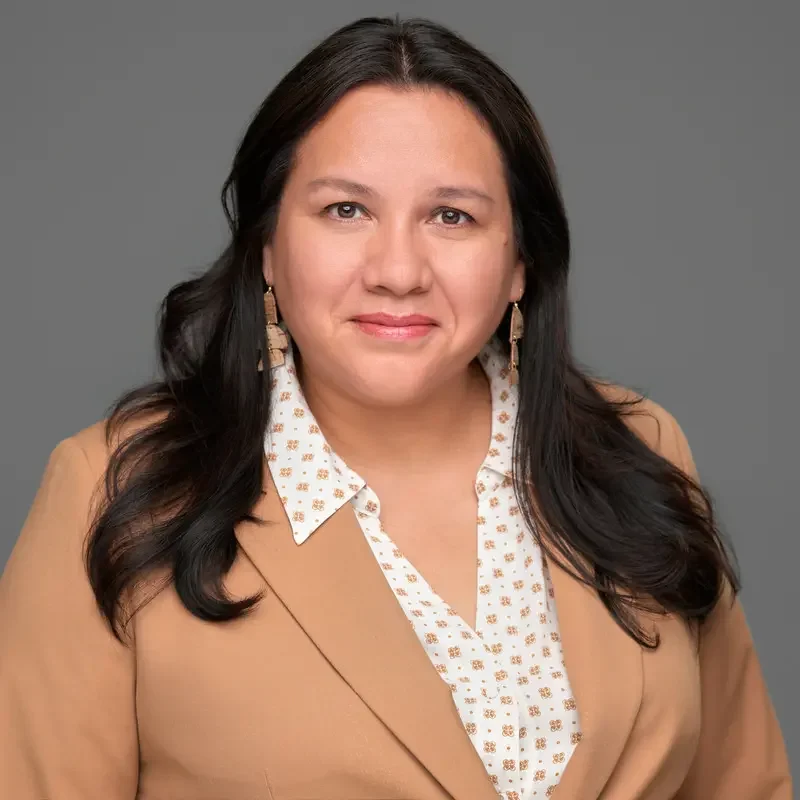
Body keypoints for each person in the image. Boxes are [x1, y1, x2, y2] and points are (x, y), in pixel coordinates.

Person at [0, 14, 790, 800]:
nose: (399, 270)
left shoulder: (638, 448)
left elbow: (743, 784)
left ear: (520, 261)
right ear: (268, 248)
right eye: (347, 210)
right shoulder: (115, 489)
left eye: (452, 216)